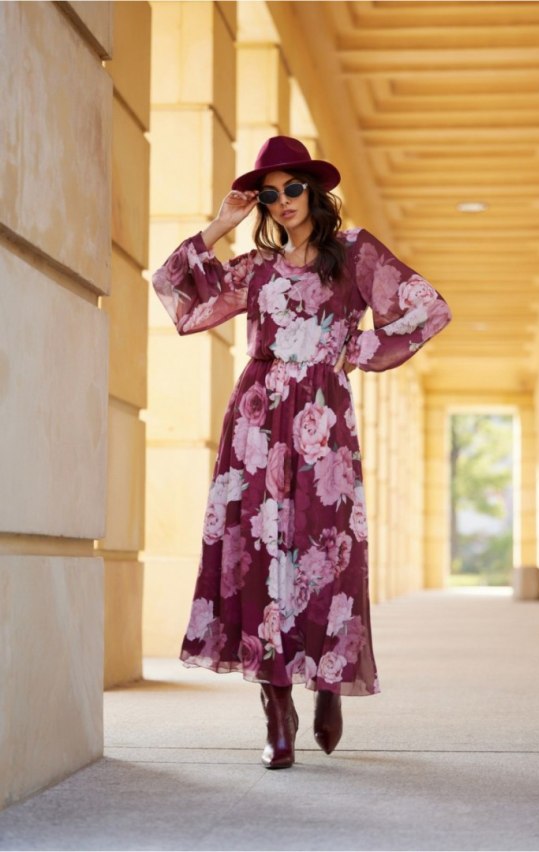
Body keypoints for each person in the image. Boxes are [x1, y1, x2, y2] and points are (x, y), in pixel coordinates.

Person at [152, 135, 451, 770]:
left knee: (325, 552)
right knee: (260, 556)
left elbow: (426, 308)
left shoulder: (355, 252)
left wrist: (356, 351)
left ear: (314, 192)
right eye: (269, 195)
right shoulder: (257, 268)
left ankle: (328, 679)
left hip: (323, 421)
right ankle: (276, 708)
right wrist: (221, 224)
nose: (283, 201)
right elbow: (177, 293)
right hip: (256, 423)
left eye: (292, 188)